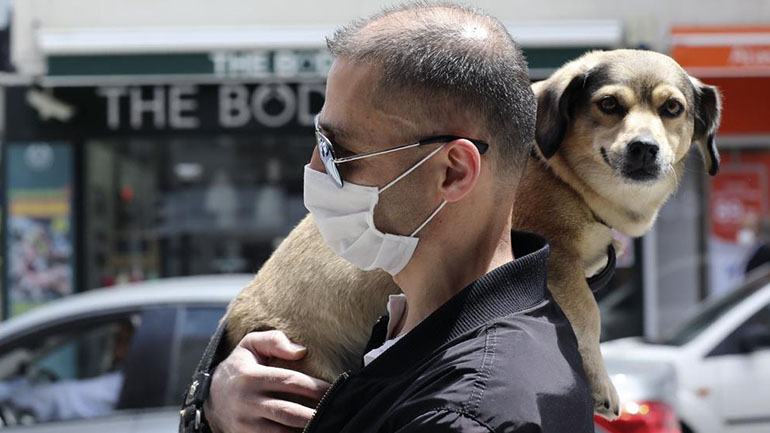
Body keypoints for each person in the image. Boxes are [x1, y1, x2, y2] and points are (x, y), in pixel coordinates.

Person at [186, 3, 594, 432]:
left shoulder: (459, 414)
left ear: (453, 171)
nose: (314, 170)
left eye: (337, 152)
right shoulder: (417, 332)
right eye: (318, 142)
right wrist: (212, 403)